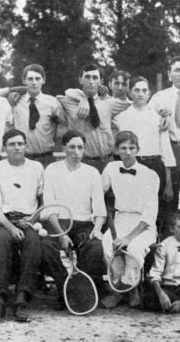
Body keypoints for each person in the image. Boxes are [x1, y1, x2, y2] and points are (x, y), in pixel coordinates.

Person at [41, 130, 107, 305]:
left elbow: (99, 208)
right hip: (58, 224)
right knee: (46, 246)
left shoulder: (92, 172)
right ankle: (65, 288)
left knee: (94, 247)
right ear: (64, 148)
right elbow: (49, 206)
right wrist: (61, 234)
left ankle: (80, 289)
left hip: (83, 225)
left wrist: (97, 230)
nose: (76, 151)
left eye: (80, 147)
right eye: (72, 147)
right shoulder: (52, 170)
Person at [0, 129, 44, 322]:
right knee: (0, 242)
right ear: (5, 148)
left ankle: (21, 298)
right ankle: (0, 299)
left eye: (20, 143)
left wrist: (33, 220)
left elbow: (44, 201)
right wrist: (10, 227)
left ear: (26, 146)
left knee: (33, 242)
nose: (17, 147)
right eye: (12, 144)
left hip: (28, 220)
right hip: (3, 220)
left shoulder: (37, 168)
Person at [101, 131, 159, 309]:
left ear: (138, 149)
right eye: (123, 148)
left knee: (134, 248)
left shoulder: (150, 174)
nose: (127, 152)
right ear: (116, 150)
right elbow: (98, 194)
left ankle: (130, 287)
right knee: (108, 244)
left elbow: (149, 215)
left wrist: (127, 239)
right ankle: (120, 289)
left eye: (131, 148)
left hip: (143, 225)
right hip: (120, 220)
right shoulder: (111, 168)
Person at [57, 64, 130, 173]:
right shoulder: (68, 102)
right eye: (87, 77)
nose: (91, 81)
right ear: (80, 80)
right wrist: (82, 98)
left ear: (101, 81)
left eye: (95, 78)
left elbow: (135, 104)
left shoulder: (109, 103)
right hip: (82, 162)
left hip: (107, 161)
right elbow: (50, 100)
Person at [113, 76, 175, 204]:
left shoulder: (158, 118)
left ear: (149, 94)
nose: (140, 94)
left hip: (155, 166)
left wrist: (168, 185)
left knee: (155, 210)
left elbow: (166, 151)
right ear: (130, 93)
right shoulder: (121, 118)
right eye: (136, 90)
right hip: (131, 165)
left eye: (144, 90)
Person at [12, 64, 66, 168]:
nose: (34, 82)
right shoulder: (15, 101)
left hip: (46, 158)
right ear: (24, 80)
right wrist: (13, 90)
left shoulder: (52, 102)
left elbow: (66, 123)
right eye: (30, 79)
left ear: (43, 80)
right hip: (23, 157)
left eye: (37, 78)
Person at [148, 56, 180, 213]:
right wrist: (160, 115)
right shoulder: (159, 97)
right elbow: (145, 116)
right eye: (177, 70)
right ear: (169, 74)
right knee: (170, 196)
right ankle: (169, 233)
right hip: (171, 148)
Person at [143, 212, 180, 313]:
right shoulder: (164, 245)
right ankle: (170, 303)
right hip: (169, 287)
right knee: (149, 300)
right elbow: (155, 273)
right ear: (172, 229)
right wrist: (161, 294)